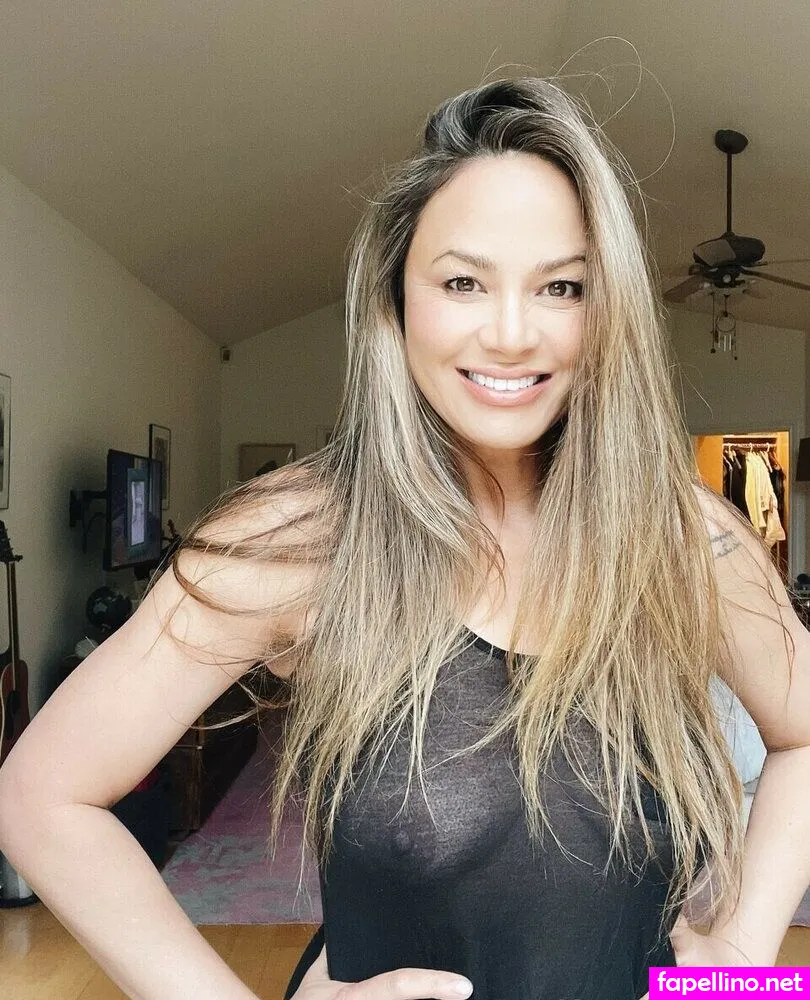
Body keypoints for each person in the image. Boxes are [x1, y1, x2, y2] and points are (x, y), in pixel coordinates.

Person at [2, 76, 810, 1000]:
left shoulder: (678, 534)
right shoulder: (299, 538)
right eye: (463, 281)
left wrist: (742, 954)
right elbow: (41, 795)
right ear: (394, 298)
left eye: (562, 286)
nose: (512, 334)